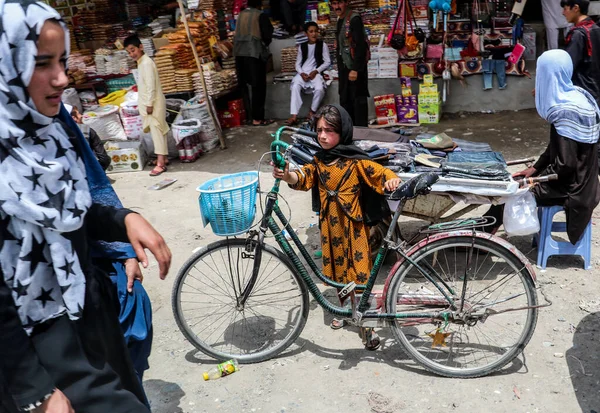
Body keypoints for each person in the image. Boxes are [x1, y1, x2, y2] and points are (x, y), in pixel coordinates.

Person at [0, 3, 171, 412]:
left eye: (61, 61)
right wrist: (34, 391)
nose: (62, 78)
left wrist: (122, 219)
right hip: (30, 347)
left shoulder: (54, 132)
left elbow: (70, 212)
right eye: (42, 63)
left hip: (86, 314)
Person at [273, 104, 401, 349]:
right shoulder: (319, 161)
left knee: (359, 274)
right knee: (337, 273)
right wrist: (287, 176)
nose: (322, 136)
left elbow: (379, 172)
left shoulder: (355, 161)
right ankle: (344, 312)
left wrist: (391, 178)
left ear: (343, 131)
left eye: (330, 130)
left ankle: (366, 324)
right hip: (330, 230)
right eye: (319, 130)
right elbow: (304, 178)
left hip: (354, 229)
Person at [61, 103, 154, 393]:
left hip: (99, 272)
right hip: (53, 304)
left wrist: (125, 243)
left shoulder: (64, 130)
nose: (59, 78)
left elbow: (94, 191)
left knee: (134, 330)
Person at [484, 49, 600, 244]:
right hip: (585, 182)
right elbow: (559, 148)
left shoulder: (564, 110)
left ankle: (483, 237)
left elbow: (565, 164)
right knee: (518, 181)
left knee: (509, 191)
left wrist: (534, 182)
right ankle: (484, 232)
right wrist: (535, 169)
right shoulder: (580, 97)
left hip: (572, 188)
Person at [125, 35, 170, 176]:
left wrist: (149, 104)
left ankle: (161, 163)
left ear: (141, 47)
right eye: (129, 52)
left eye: (133, 50)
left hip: (153, 102)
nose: (132, 54)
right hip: (150, 102)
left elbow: (151, 86)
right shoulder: (142, 62)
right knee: (158, 130)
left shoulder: (146, 63)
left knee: (157, 131)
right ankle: (163, 158)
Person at [233, 0, 274, 126]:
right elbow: (267, 35)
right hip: (254, 54)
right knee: (258, 87)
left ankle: (248, 117)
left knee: (244, 86)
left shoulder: (241, 15)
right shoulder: (260, 15)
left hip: (239, 53)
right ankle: (258, 118)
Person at [332, 0, 370, 127]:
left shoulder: (354, 19)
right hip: (344, 67)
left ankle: (361, 132)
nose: (337, 6)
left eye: (339, 3)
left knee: (358, 101)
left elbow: (360, 46)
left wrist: (355, 69)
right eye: (334, 3)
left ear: (346, 3)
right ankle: (349, 131)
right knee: (345, 99)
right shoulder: (340, 20)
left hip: (354, 68)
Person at [286, 22, 331, 126]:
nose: (314, 34)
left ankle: (312, 111)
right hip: (304, 73)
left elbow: (327, 61)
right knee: (296, 86)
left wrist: (316, 71)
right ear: (306, 34)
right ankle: (294, 116)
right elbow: (297, 64)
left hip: (316, 73)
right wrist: (302, 73)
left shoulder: (322, 45)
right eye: (311, 32)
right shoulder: (302, 46)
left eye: (316, 31)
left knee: (320, 89)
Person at [562, 0, 600, 106]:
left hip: (584, 91)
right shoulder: (596, 28)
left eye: (565, 9)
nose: (563, 13)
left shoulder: (578, 34)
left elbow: (568, 65)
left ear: (576, 8)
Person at [65, 104, 111, 171]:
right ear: (73, 118)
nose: (81, 116)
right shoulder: (87, 130)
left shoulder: (55, 133)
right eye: (78, 114)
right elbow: (104, 158)